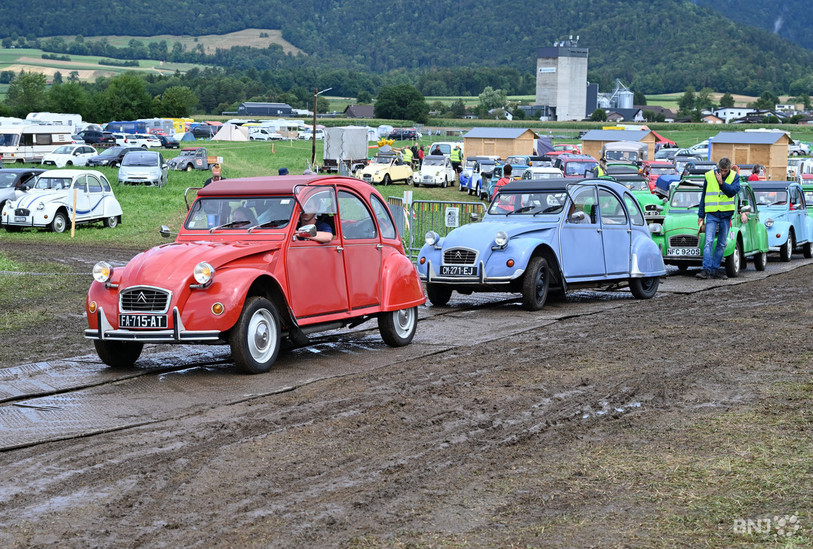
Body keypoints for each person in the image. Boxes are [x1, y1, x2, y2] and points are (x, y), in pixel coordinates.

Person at [696, 157, 741, 280]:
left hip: (725, 215)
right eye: (721, 170)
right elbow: (704, 196)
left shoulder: (735, 177)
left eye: (725, 170)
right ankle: (706, 269)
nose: (723, 172)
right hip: (712, 214)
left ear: (729, 168)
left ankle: (715, 269)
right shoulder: (709, 176)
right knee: (708, 242)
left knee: (721, 244)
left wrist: (722, 183)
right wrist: (701, 215)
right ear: (718, 167)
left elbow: (732, 192)